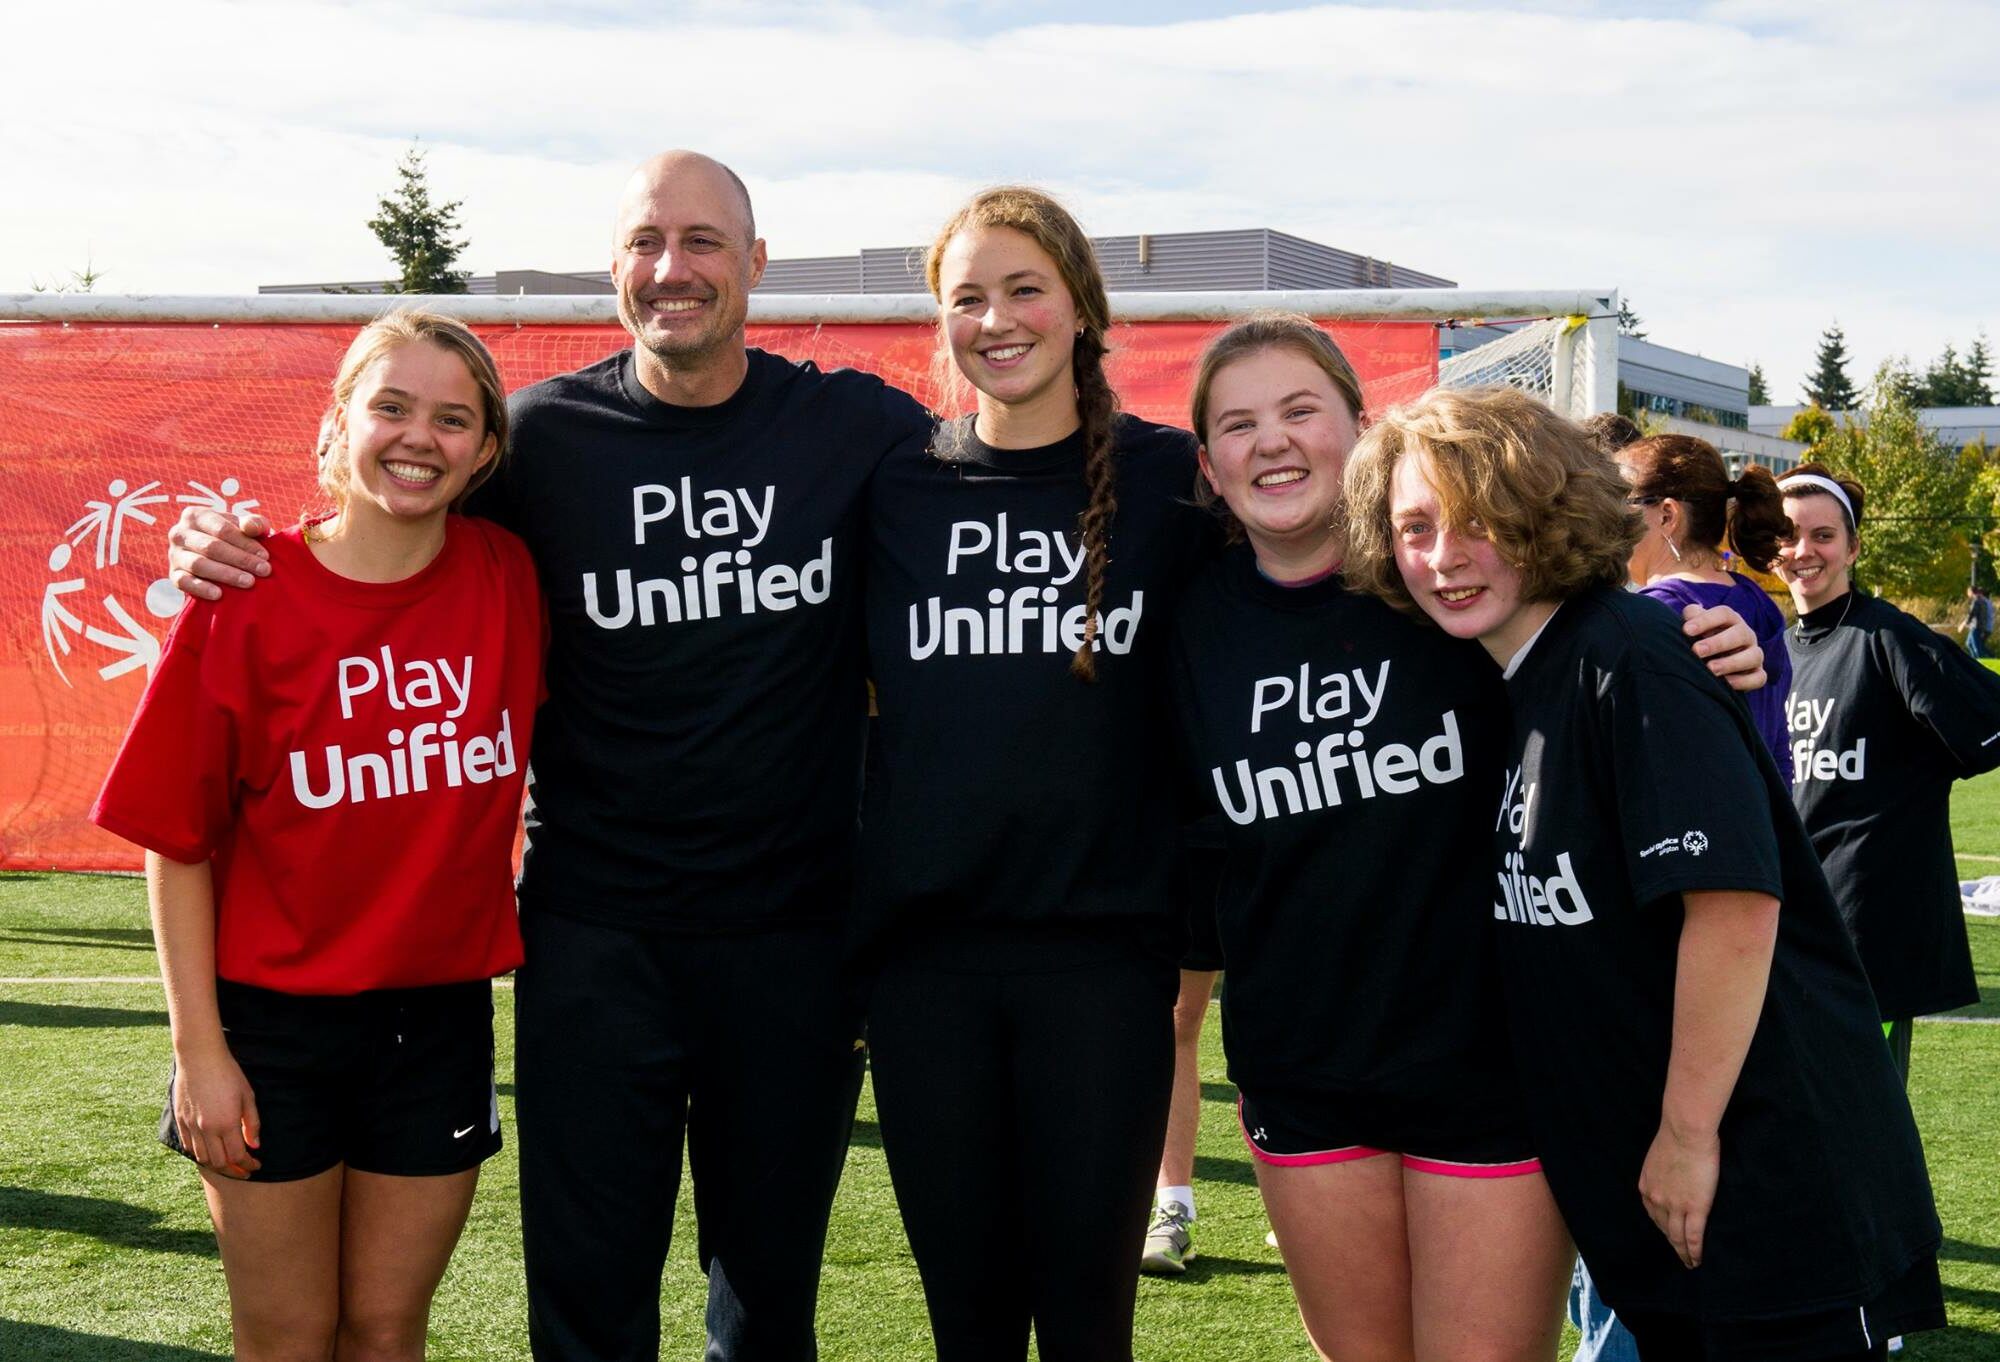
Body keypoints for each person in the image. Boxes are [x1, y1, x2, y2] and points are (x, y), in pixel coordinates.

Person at [168, 152, 932, 1362]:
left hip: (792, 941)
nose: (670, 269)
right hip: (593, 941)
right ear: (613, 267)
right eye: (643, 243)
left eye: (701, 242)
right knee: (586, 1298)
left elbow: (1013, 484)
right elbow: (381, 504)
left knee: (769, 1300)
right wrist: (229, 538)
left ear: (755, 266)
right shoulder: (539, 441)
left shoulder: (855, 425)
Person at [1346, 385, 1946, 1362]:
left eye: (1477, 520)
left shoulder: (1626, 660)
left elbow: (1733, 908)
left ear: (1543, 514)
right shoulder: (1507, 676)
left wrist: (1683, 1136)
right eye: (1413, 526)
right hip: (1664, 1203)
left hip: (1763, 1179)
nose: (1442, 555)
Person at [93, 311, 542, 1362]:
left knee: (385, 1333)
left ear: (484, 451)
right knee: (288, 1336)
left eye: (452, 416)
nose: (417, 437)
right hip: (268, 1033)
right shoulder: (243, 593)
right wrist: (199, 1054)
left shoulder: (511, 577)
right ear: (337, 420)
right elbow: (176, 841)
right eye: (390, 406)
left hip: (435, 1023)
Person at [1168, 317, 1573, 1361]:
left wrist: (1694, 631)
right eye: (1237, 423)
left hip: (1492, 1068)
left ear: (1359, 425)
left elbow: (1598, 646)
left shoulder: (1445, 577)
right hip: (1303, 1076)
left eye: (1299, 410)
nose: (1271, 441)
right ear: (1207, 466)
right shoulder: (1182, 623)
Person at [853, 186, 1212, 1361]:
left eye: (1022, 290)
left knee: (1084, 1321)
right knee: (966, 1322)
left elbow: (1342, 570)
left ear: (1079, 309)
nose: (995, 319)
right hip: (921, 972)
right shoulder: (893, 486)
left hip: (1101, 973)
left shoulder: (1172, 484)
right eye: (967, 297)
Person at [1777, 464, 2000, 1085]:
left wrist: (1921, 777)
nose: (1804, 551)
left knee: (1858, 1127)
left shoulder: (1889, 637)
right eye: (1790, 534)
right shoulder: (1776, 646)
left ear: (1852, 547)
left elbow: (1984, 726)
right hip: (1792, 928)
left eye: (1823, 536)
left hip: (1865, 939)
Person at [1963, 585, 1992, 658]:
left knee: (1977, 647)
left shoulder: (1976, 601)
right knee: (1969, 643)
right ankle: (1975, 660)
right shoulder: (1983, 601)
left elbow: (1972, 613)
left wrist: (1965, 623)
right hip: (1980, 626)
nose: (1968, 594)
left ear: (1970, 592)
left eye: (1968, 592)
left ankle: (1980, 660)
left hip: (1976, 626)